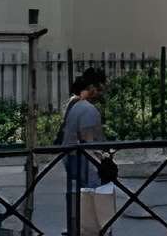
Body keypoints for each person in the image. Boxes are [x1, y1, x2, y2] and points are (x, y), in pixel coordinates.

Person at [60, 69, 108, 226]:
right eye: (101, 88)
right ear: (92, 87)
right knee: (90, 204)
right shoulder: (88, 109)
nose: (102, 92)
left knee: (82, 202)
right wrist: (97, 170)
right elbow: (89, 144)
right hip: (84, 162)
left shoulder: (75, 105)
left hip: (74, 159)